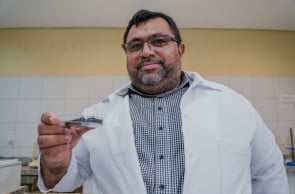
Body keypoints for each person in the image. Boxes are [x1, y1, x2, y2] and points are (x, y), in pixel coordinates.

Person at [37, 9, 289, 194]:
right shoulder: (97, 115)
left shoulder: (235, 105)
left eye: (159, 41)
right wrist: (55, 163)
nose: (146, 51)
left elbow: (269, 174)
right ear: (126, 55)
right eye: (135, 45)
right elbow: (66, 180)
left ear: (180, 50)